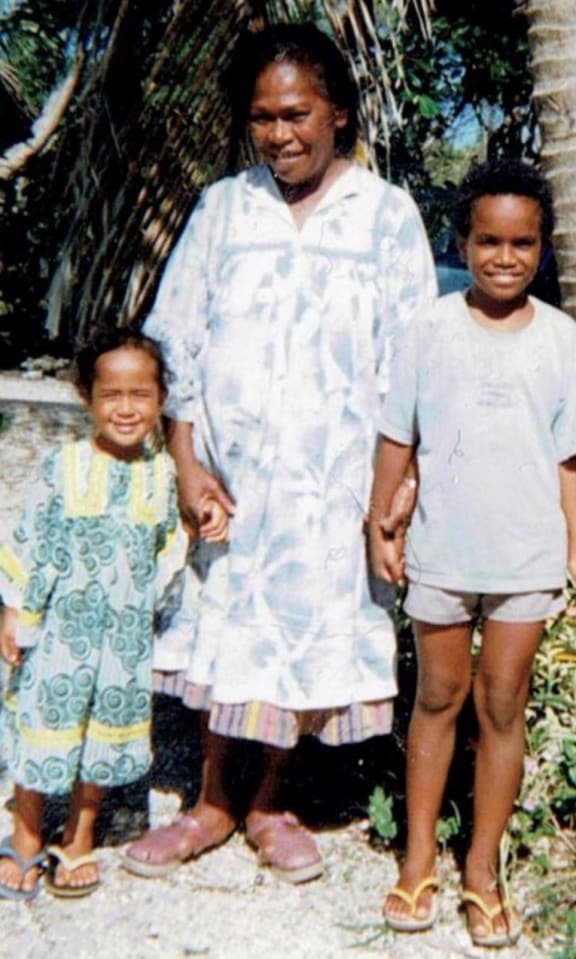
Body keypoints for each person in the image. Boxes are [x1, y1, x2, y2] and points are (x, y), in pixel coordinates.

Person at [121, 22, 436, 884]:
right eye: (261, 117)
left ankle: (269, 802)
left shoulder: (387, 216)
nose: (279, 134)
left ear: (338, 112)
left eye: (296, 113)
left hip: (334, 487)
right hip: (234, 481)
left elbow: (410, 363)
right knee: (229, 632)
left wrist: (396, 488)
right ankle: (212, 804)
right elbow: (173, 344)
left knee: (302, 637)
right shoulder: (225, 208)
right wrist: (187, 462)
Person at [369, 159, 576, 947]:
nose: (503, 257)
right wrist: (379, 524)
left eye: (522, 243)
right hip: (443, 554)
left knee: (502, 705)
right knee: (437, 696)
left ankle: (481, 869)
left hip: (526, 557)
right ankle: (417, 854)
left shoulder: (563, 341)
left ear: (543, 249)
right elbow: (399, 434)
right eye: (487, 240)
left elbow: (568, 461)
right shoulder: (428, 328)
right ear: (462, 240)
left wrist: (574, 553)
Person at [0, 327, 201, 900]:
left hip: (122, 639)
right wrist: (12, 612)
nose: (126, 407)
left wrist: (190, 529)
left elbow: (166, 547)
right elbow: (29, 541)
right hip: (60, 635)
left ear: (160, 399)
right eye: (111, 394)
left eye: (140, 394)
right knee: (46, 726)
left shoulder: (161, 475)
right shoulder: (63, 466)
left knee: (100, 735)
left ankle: (81, 833)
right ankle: (27, 832)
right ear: (87, 397)